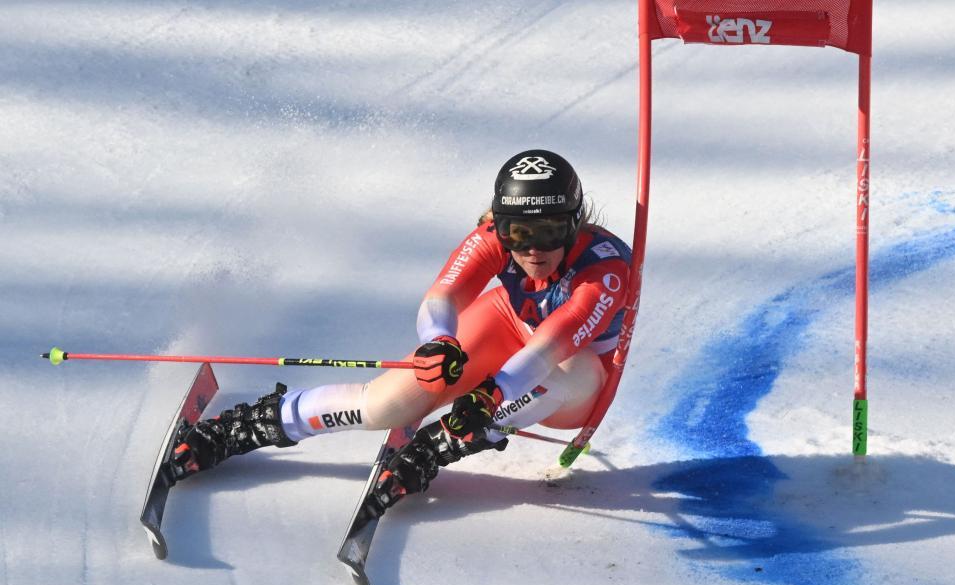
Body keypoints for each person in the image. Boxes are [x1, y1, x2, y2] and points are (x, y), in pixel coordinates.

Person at [165, 149, 632, 522]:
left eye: (549, 232)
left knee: (565, 372)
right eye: (518, 232)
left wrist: (492, 395)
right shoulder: (494, 236)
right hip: (507, 325)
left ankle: (444, 442)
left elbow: (553, 343)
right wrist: (439, 342)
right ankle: (247, 427)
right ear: (500, 224)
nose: (533, 249)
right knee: (387, 404)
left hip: (573, 380)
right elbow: (442, 297)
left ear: (573, 223)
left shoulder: (605, 270)